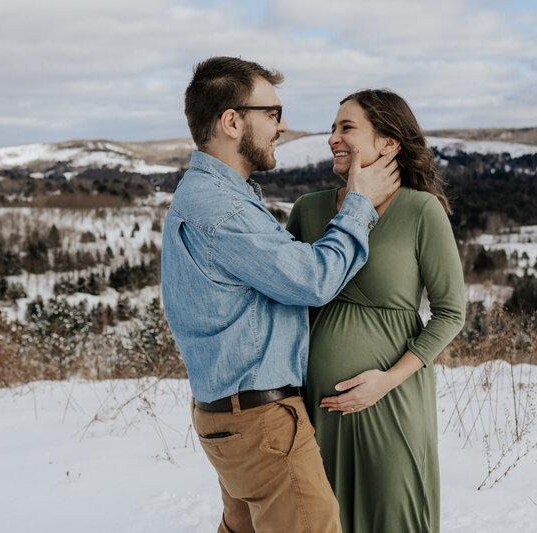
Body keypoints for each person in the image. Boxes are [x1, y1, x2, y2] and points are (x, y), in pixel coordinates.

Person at [161, 57, 400, 533]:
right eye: (272, 113)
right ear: (232, 121)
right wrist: (359, 206)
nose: (283, 126)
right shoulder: (223, 210)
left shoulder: (208, 194)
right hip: (261, 423)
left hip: (229, 419)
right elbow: (312, 279)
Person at [286, 89, 466, 533]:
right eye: (332, 128)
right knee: (325, 520)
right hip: (319, 407)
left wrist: (385, 381)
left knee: (394, 516)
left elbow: (450, 313)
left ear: (389, 143)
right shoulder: (307, 210)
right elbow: (286, 303)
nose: (332, 138)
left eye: (347, 127)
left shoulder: (421, 210)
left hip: (392, 399)